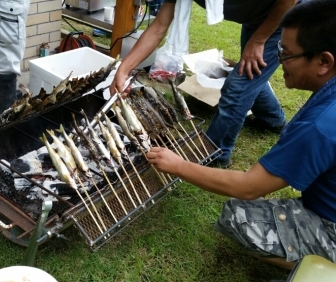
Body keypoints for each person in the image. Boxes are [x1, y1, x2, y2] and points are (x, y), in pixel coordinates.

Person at [146, 0, 336, 270]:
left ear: (323, 61)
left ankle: (322, 269)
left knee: (238, 217)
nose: (278, 59)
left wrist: (178, 166)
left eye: (286, 53)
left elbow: (248, 187)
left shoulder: (321, 124)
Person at [112, 0, 302, 168]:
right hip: (256, 17)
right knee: (250, 71)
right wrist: (123, 70)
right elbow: (159, 26)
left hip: (284, 15)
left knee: (238, 85)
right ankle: (273, 120)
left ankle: (215, 153)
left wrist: (259, 40)